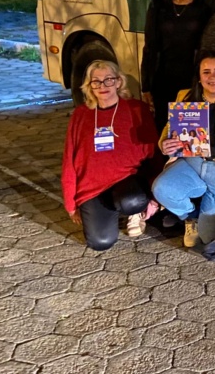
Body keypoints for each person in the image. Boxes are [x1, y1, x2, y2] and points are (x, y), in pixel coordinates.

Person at [151, 50, 215, 248]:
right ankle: (190, 216)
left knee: (209, 238)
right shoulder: (186, 96)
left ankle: (210, 209)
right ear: (199, 77)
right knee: (161, 189)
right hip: (191, 164)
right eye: (206, 72)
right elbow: (167, 134)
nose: (213, 76)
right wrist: (165, 145)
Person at [61, 60, 160, 251]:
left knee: (131, 201)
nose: (102, 86)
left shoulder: (136, 109)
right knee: (100, 242)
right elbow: (69, 160)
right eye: (96, 81)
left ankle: (134, 212)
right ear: (89, 86)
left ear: (118, 82)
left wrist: (155, 195)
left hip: (127, 182)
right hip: (92, 187)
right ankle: (110, 212)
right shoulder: (81, 115)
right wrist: (70, 203)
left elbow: (153, 154)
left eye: (108, 80)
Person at [141, 0, 215, 132]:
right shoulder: (158, 4)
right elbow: (150, 47)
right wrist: (145, 86)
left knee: (195, 134)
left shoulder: (209, 2)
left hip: (198, 80)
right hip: (164, 81)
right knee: (167, 133)